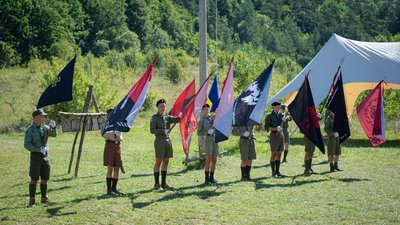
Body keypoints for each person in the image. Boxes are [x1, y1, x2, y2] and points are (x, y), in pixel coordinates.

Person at [24, 108, 57, 207]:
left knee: (45, 178)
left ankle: (44, 198)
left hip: (45, 156)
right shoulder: (30, 130)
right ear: (36, 118)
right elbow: (26, 144)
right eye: (42, 116)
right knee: (34, 178)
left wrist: (53, 127)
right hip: (35, 156)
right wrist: (39, 149)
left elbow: (54, 135)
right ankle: (32, 200)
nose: (44, 118)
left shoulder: (45, 127)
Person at [150, 99, 181, 190]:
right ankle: (156, 184)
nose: (163, 108)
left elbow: (176, 119)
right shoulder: (154, 117)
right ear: (158, 107)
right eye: (161, 106)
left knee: (166, 161)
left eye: (164, 106)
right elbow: (152, 130)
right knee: (158, 162)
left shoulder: (167, 117)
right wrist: (162, 131)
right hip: (159, 141)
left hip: (167, 141)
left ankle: (164, 183)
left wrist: (180, 116)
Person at [102, 108, 123, 195]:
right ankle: (109, 190)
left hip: (118, 145)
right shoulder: (106, 124)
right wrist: (112, 132)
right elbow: (103, 134)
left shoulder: (118, 123)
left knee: (117, 167)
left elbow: (121, 134)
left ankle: (114, 189)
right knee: (110, 168)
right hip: (110, 145)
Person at [197, 104, 219, 184]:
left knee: (215, 158)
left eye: (207, 109)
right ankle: (207, 178)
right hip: (207, 139)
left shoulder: (213, 117)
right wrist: (207, 132)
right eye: (205, 109)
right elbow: (199, 132)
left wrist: (218, 112)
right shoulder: (202, 120)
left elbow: (219, 119)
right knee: (208, 158)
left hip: (214, 138)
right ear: (202, 111)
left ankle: (212, 178)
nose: (206, 110)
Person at [264, 102, 284, 178]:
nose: (278, 108)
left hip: (281, 135)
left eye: (279, 106)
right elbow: (266, 128)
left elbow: (290, 118)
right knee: (274, 153)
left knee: (279, 153)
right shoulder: (269, 116)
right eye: (277, 107)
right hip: (274, 135)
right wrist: (276, 128)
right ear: (273, 107)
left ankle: (277, 171)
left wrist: (288, 117)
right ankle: (273, 172)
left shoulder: (281, 115)